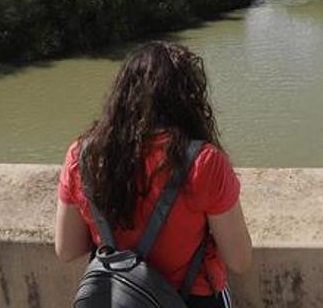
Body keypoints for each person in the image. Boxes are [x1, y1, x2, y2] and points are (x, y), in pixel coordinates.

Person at [55, 41, 252, 308]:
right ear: (189, 99)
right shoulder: (204, 163)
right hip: (191, 299)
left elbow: (67, 249)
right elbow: (239, 260)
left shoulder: (83, 156)